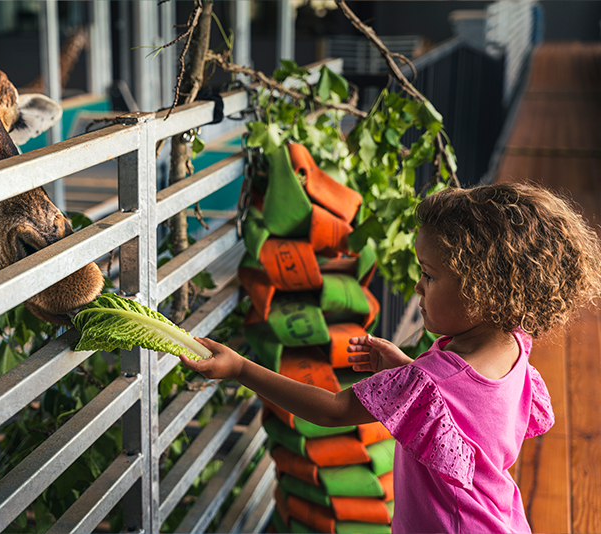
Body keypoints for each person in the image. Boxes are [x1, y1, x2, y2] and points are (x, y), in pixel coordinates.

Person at [180, 183, 601, 534]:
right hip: (498, 520)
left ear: (484, 289)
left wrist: (240, 368)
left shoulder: (434, 382)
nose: (418, 287)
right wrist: (407, 370)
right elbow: (467, 409)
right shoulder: (514, 344)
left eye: (429, 275)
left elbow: (331, 411)